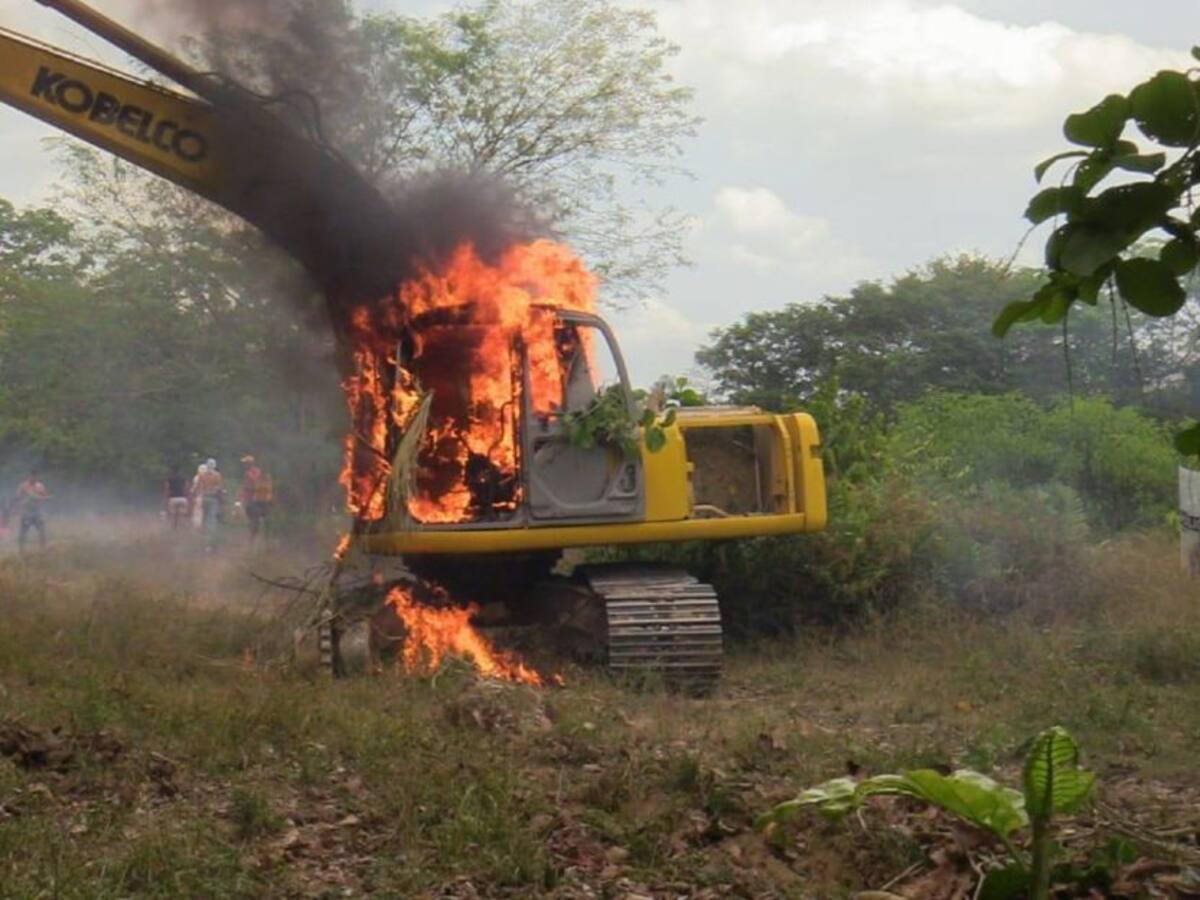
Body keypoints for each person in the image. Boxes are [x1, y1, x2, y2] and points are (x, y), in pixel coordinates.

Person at [14, 469, 51, 553]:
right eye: (32, 476)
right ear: (29, 476)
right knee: (23, 532)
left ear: (37, 477)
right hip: (26, 512)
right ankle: (21, 550)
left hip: (37, 512)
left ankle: (43, 549)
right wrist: (22, 501)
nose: (33, 478)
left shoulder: (40, 486)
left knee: (42, 530)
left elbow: (45, 495)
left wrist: (45, 498)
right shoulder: (23, 486)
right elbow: (17, 497)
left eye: (35, 476)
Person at [239, 455, 274, 543]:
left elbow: (249, 486)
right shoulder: (258, 471)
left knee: (254, 519)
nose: (244, 465)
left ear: (249, 464)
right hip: (260, 499)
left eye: (245, 463)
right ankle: (260, 539)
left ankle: (254, 539)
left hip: (254, 499)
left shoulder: (249, 473)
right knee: (259, 519)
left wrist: (243, 497)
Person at [192, 458, 225, 551]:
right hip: (213, 499)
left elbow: (197, 488)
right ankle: (210, 543)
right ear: (214, 465)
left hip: (204, 498)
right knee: (211, 520)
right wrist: (221, 500)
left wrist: (197, 496)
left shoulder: (202, 475)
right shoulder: (217, 475)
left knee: (204, 519)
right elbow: (220, 489)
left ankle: (204, 542)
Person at [164, 464, 190, 530]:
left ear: (172, 471)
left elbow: (167, 489)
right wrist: (187, 497)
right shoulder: (184, 478)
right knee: (181, 515)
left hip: (173, 498)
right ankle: (181, 529)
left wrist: (166, 499)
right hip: (183, 499)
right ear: (179, 471)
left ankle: (174, 529)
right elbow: (186, 488)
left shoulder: (169, 479)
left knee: (173, 516)